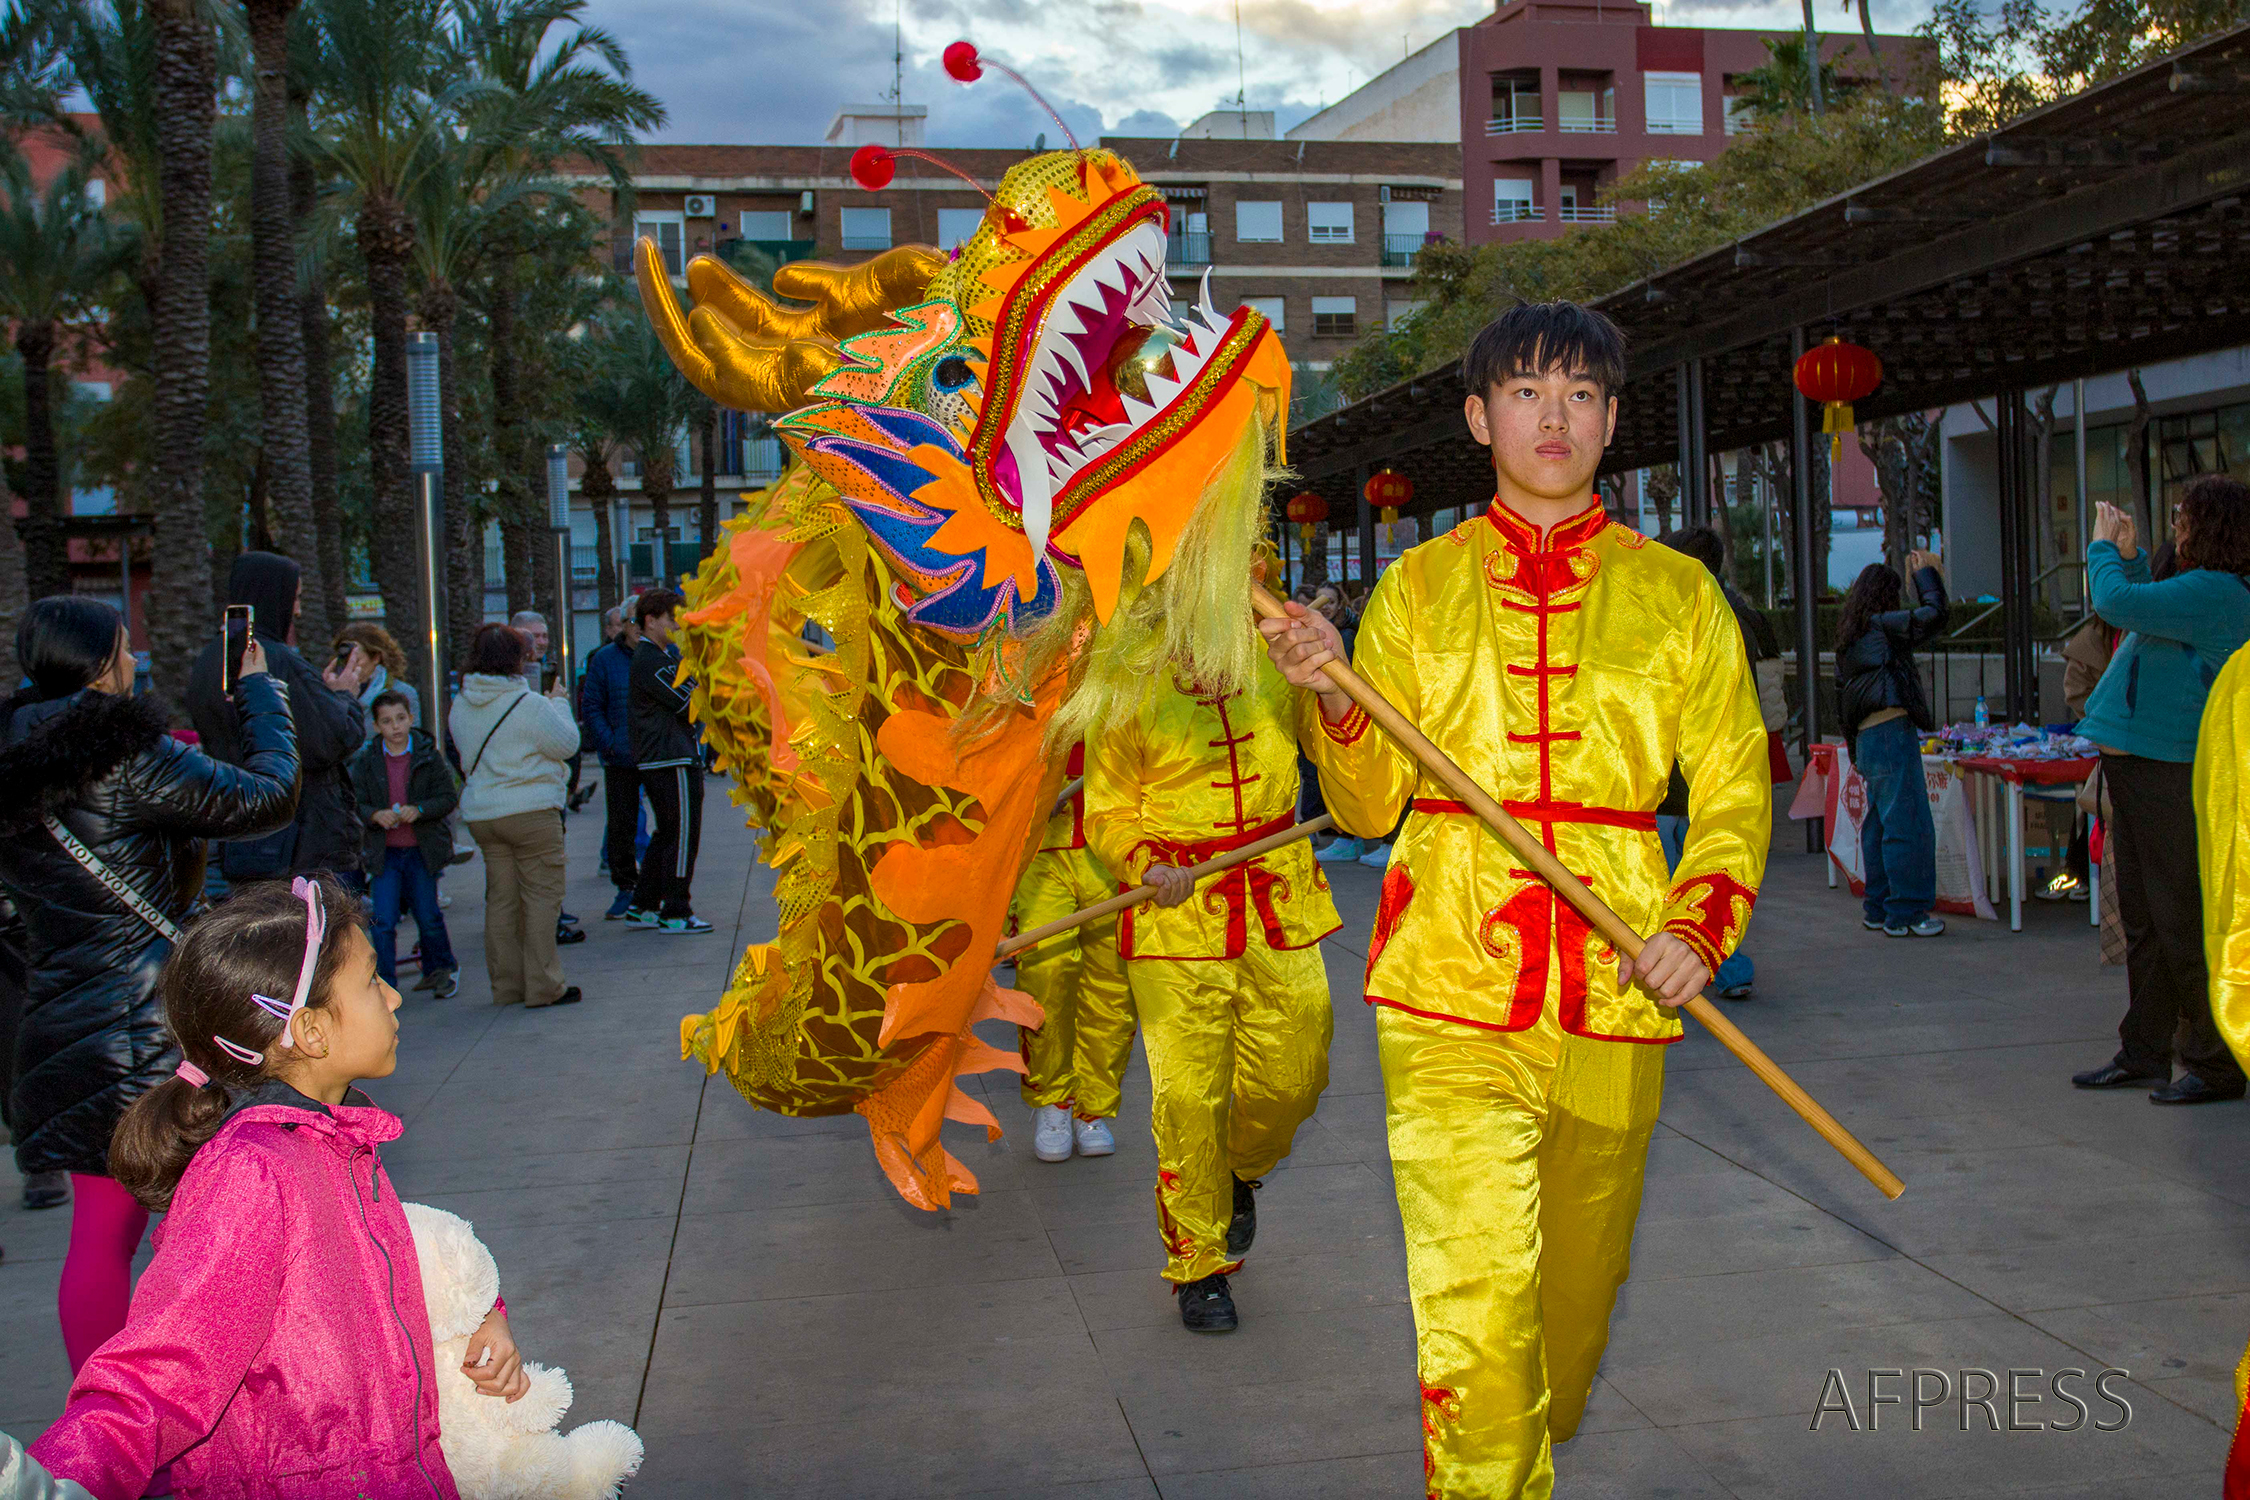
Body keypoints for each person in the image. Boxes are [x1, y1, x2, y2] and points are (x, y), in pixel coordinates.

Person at [1261, 302, 1769, 1495]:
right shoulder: (1418, 592)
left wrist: (1699, 926)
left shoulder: (1682, 597)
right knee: (1476, 1307)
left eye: (1582, 394)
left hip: (1620, 980)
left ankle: (1522, 1435)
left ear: (1610, 421)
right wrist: (1330, 703)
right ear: (1482, 418)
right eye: (1529, 393)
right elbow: (1374, 805)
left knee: (1571, 1313)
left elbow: (1737, 784)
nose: (1556, 416)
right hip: (1446, 986)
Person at [28, 878, 533, 1499]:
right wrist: (55, 1483)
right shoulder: (252, 1172)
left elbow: (390, 1266)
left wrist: (480, 1317)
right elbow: (160, 1371)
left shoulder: (335, 1140)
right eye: (374, 980)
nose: (396, 998)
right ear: (312, 1030)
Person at [0, 596, 298, 1371]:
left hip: (65, 1025)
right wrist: (263, 694)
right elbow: (266, 797)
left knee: (99, 1236)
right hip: (154, 1030)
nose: (134, 662)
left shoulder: (10, 761)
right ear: (101, 663)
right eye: (125, 649)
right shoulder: (126, 751)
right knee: (211, 1226)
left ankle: (104, 1436)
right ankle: (209, 1412)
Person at [1083, 649, 1339, 1334]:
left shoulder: (1274, 656)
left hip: (1279, 894)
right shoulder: (1123, 677)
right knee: (1187, 1096)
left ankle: (1236, 1173)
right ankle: (1198, 1263)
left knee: (1299, 1071)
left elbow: (1338, 744)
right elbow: (1105, 810)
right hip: (1177, 915)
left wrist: (1335, 683)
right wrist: (1145, 860)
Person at [2070, 477, 2250, 1104]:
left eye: (2184, 515)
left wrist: (2101, 551)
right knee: (2148, 917)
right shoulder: (2207, 592)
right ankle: (2146, 1050)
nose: (2176, 523)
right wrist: (2130, 557)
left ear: (2212, 526)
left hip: (2169, 769)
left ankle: (2214, 1060)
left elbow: (2118, 604)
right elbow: (2143, 599)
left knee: (2179, 917)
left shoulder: (2219, 592)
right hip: (2147, 767)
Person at [187, 551, 370, 886]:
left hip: (239, 833)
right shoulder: (278, 661)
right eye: (295, 598)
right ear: (274, 597)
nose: (298, 610)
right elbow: (330, 739)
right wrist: (344, 695)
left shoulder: (207, 661)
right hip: (301, 842)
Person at [1657, 525, 1781, 996]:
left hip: (1671, 784)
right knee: (1713, 882)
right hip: (1713, 780)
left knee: (1672, 886)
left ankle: (1716, 968)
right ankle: (1726, 967)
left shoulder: (1667, 613)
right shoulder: (1739, 615)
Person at [1009, 742, 1132, 1163]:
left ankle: (1092, 1108)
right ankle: (1053, 1100)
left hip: (1112, 842)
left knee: (1112, 986)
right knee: (1046, 973)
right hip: (1041, 847)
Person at [450, 624, 583, 1008]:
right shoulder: (531, 706)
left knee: (502, 901)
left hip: (483, 816)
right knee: (542, 898)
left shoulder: (461, 704)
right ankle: (544, 986)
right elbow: (568, 743)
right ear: (516, 660)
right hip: (531, 814)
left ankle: (507, 987)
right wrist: (558, 701)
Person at [1834, 552, 1951, 938]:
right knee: (1909, 823)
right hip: (1890, 731)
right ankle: (1907, 911)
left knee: (1879, 823)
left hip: (1867, 736)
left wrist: (1854, 747)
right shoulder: (1883, 627)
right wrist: (1926, 575)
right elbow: (1934, 615)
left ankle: (1879, 906)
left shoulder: (1852, 636)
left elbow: (1842, 696)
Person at [349, 689, 461, 999]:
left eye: (400, 718)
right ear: (376, 726)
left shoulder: (426, 754)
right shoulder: (367, 760)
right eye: (387, 721)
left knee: (428, 915)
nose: (395, 727)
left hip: (421, 851)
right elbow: (355, 802)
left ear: (411, 718)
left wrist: (420, 809)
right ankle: (385, 986)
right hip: (385, 853)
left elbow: (448, 797)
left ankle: (441, 971)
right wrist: (375, 815)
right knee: (382, 921)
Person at [627, 589, 711, 935]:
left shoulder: (654, 658)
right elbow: (690, 702)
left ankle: (644, 904)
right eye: (671, 619)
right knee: (682, 835)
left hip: (662, 757)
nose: (677, 626)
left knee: (666, 834)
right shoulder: (653, 661)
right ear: (651, 621)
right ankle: (676, 909)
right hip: (671, 758)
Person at [580, 603, 643, 919]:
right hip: (621, 757)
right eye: (630, 620)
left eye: (640, 620)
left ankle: (658, 889)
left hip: (658, 754)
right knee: (622, 824)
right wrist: (610, 743)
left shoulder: (663, 655)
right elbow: (591, 706)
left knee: (669, 823)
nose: (635, 626)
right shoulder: (604, 659)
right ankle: (626, 887)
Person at [335, 621, 421, 727]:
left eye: (356, 660)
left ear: (376, 658)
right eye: (345, 661)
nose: (350, 666)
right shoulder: (332, 692)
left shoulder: (403, 693)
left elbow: (413, 738)